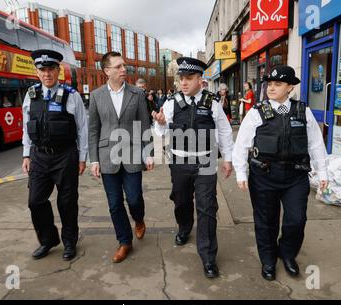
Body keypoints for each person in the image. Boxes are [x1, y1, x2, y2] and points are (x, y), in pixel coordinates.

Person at [232, 65, 329, 281]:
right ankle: (268, 259)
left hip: (295, 176)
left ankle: (287, 254)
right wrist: (240, 172)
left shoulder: (303, 111)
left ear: (290, 88)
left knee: (296, 219)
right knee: (266, 221)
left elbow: (315, 143)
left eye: (278, 84)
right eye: (270, 84)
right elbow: (241, 144)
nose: (271, 88)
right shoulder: (257, 112)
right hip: (264, 175)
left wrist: (323, 171)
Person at [152, 57, 234, 278]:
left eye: (189, 78)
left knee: (207, 208)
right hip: (179, 162)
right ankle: (184, 227)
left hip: (206, 162)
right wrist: (160, 123)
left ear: (200, 79)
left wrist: (228, 158)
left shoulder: (213, 103)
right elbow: (160, 132)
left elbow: (225, 132)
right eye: (181, 79)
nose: (184, 83)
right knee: (181, 201)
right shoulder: (171, 103)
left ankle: (208, 257)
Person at [21, 49, 88, 261]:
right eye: (42, 70)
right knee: (35, 201)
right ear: (36, 72)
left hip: (65, 156)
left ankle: (69, 242)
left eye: (51, 69)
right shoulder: (31, 95)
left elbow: (82, 128)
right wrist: (26, 155)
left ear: (58, 70)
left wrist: (82, 157)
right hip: (39, 156)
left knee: (67, 202)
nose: (47, 74)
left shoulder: (71, 95)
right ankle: (48, 239)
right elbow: (26, 127)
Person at [89, 52, 154, 263]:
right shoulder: (97, 96)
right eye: (118, 66)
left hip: (133, 154)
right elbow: (93, 130)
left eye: (124, 65)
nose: (123, 69)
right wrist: (94, 160)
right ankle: (124, 242)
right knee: (115, 203)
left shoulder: (137, 94)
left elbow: (145, 125)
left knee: (134, 198)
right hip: (107, 156)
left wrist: (149, 153)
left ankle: (139, 219)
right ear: (106, 71)